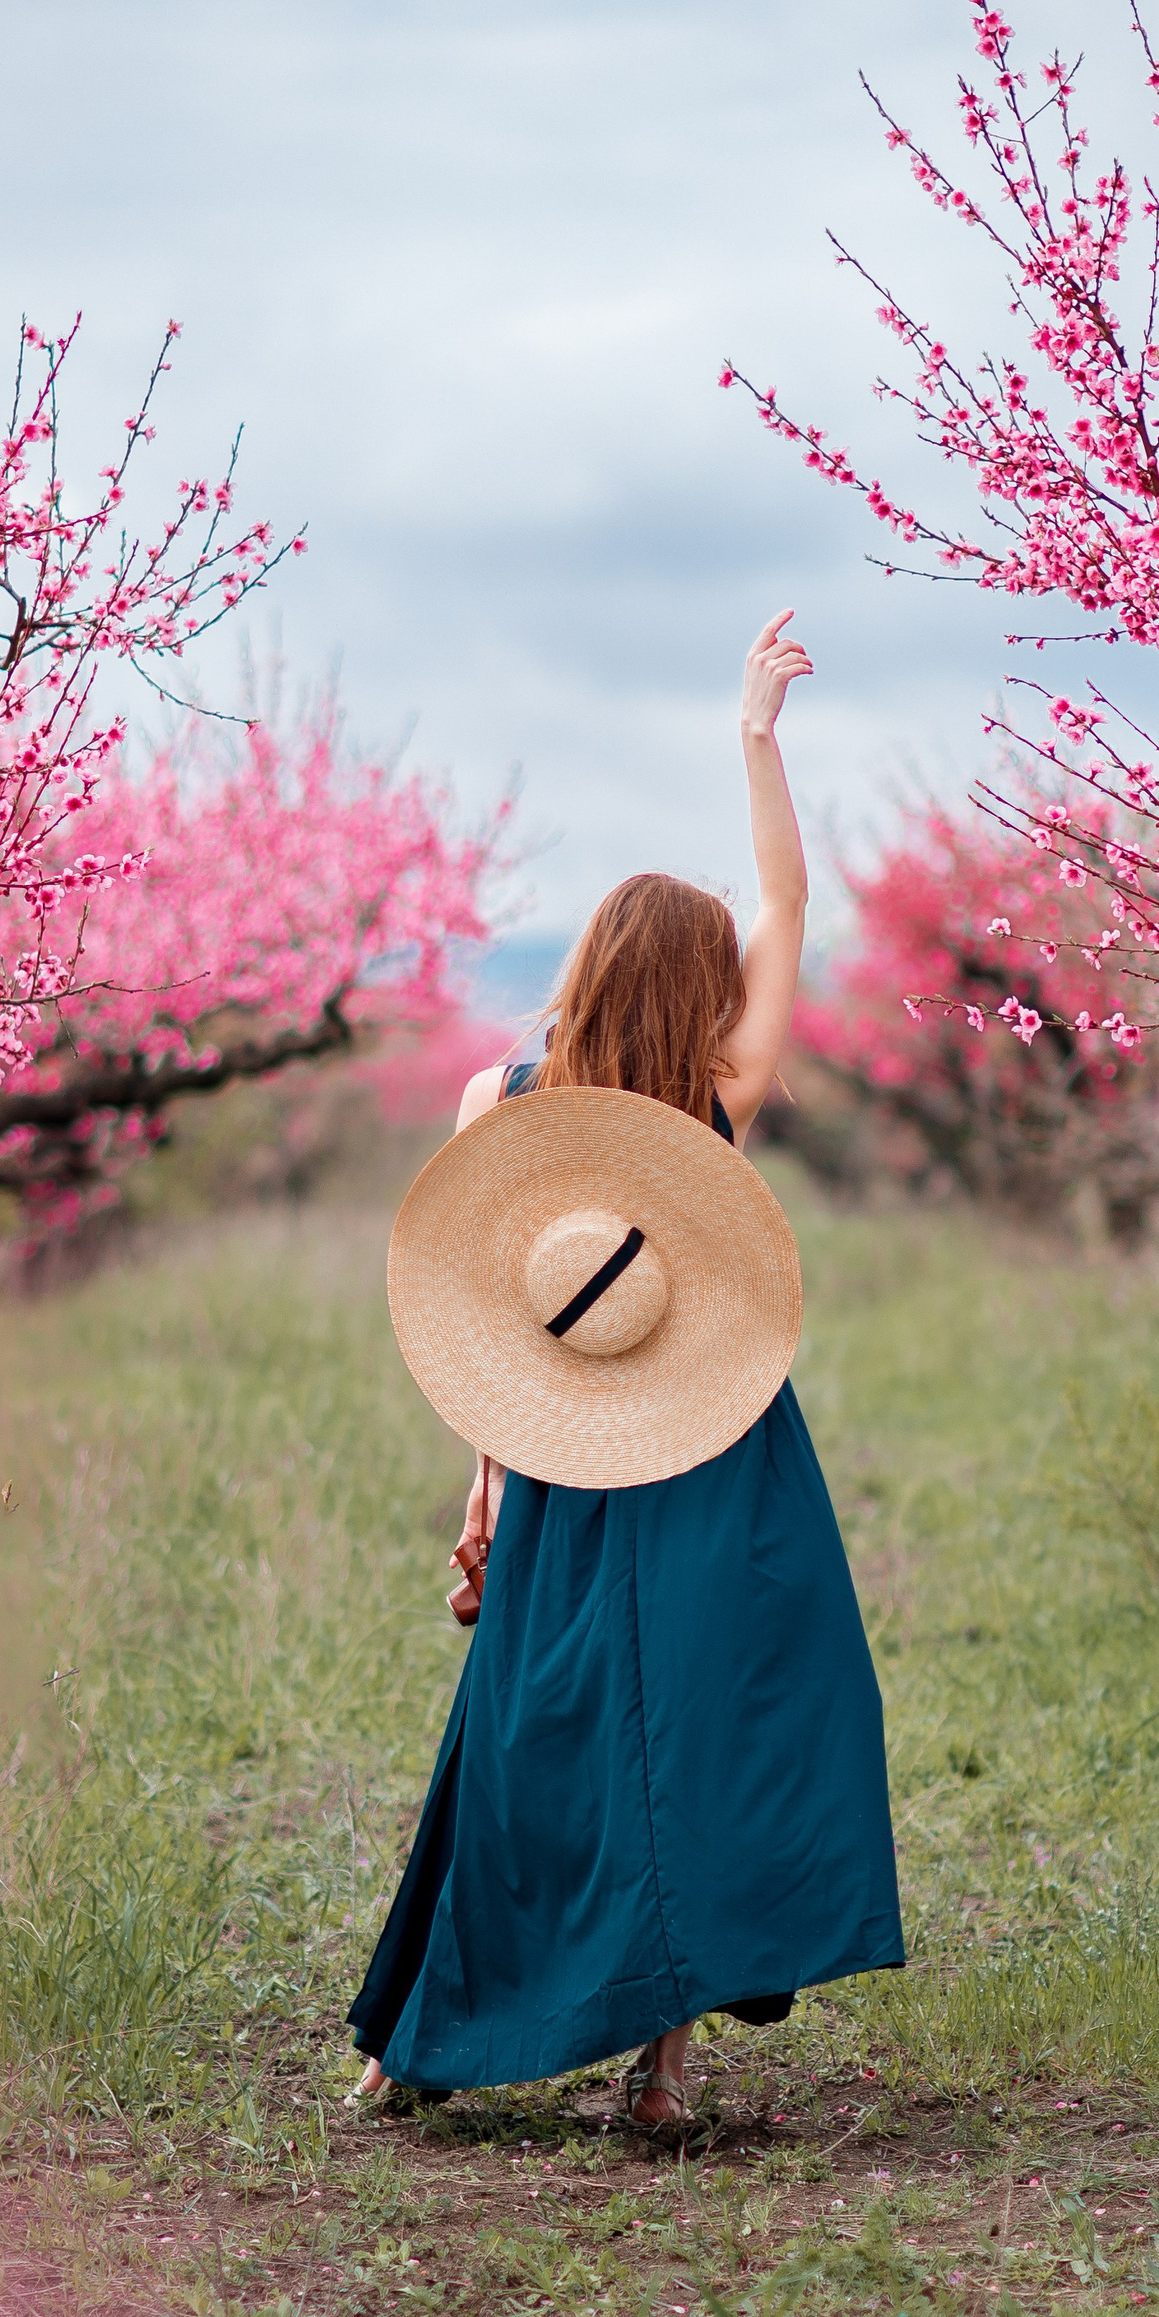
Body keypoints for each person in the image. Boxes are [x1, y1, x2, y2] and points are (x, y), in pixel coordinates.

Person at [346, 611, 904, 2127]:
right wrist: (756, 739)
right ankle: (660, 2071)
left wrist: (482, 1487)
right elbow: (787, 897)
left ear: (587, 969)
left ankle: (425, 2040)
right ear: (701, 987)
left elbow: (486, 1327)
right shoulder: (720, 1093)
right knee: (715, 1727)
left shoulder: (501, 1099)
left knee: (533, 1737)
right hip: (716, 1430)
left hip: (564, 1444)